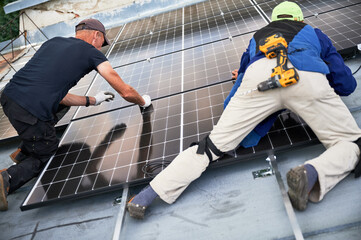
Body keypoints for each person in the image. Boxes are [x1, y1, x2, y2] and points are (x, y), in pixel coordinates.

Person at [126, 1, 361, 219]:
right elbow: (346, 85)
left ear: (273, 21)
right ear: (299, 19)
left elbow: (239, 82)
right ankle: (311, 173)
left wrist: (240, 122)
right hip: (305, 77)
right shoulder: (314, 32)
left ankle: (145, 197)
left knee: (210, 148)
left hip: (258, 80)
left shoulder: (258, 38)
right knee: (352, 142)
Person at [0, 18, 151, 211]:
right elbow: (125, 91)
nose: (100, 49)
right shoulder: (92, 54)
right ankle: (7, 178)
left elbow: (57, 95)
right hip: (30, 110)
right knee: (48, 158)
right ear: (96, 35)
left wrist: (93, 100)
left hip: (9, 97)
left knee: (62, 108)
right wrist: (143, 101)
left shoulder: (53, 42)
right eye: (102, 43)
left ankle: (24, 150)